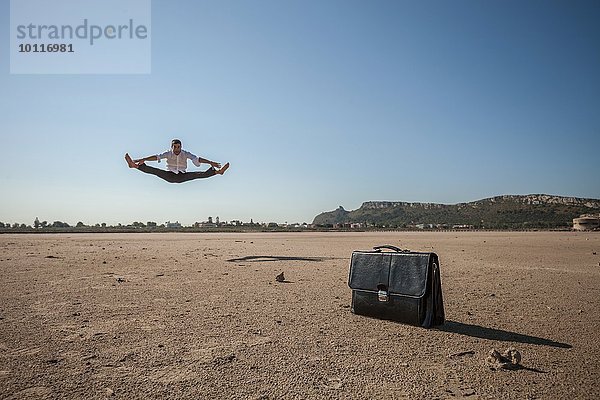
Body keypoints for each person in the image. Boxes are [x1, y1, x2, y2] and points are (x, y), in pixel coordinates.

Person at [125, 139, 229, 183]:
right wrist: (143, 159)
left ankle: (218, 172)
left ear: (181, 147)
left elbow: (197, 159)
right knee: (155, 171)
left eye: (178, 147)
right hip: (169, 175)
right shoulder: (168, 153)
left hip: (182, 176)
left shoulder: (185, 153)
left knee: (197, 174)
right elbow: (157, 157)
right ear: (171, 147)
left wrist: (211, 162)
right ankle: (135, 166)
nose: (177, 149)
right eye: (175, 147)